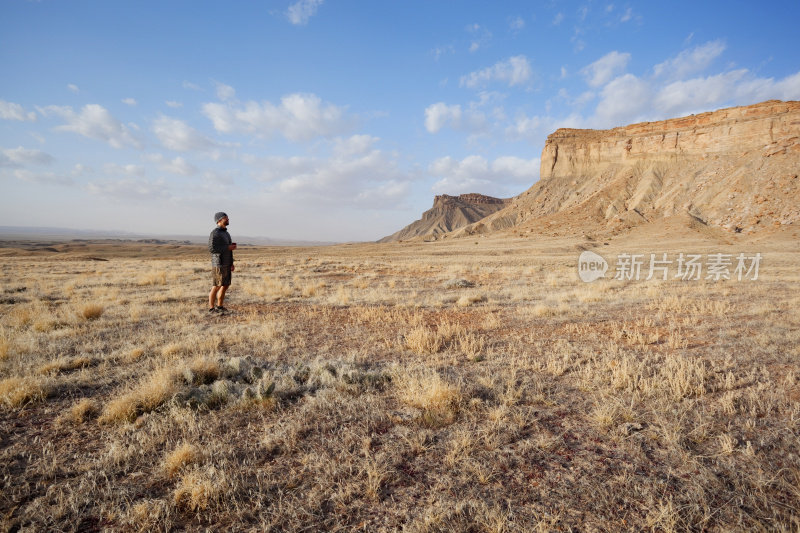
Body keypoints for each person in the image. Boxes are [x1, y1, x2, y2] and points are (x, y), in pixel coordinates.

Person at [208, 212, 236, 313]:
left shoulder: (226, 233)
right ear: (219, 220)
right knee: (216, 286)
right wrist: (228, 247)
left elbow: (229, 250)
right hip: (218, 264)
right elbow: (212, 248)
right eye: (225, 218)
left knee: (225, 286)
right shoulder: (215, 233)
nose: (228, 219)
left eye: (227, 217)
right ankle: (211, 308)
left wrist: (231, 263)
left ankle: (220, 306)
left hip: (227, 263)